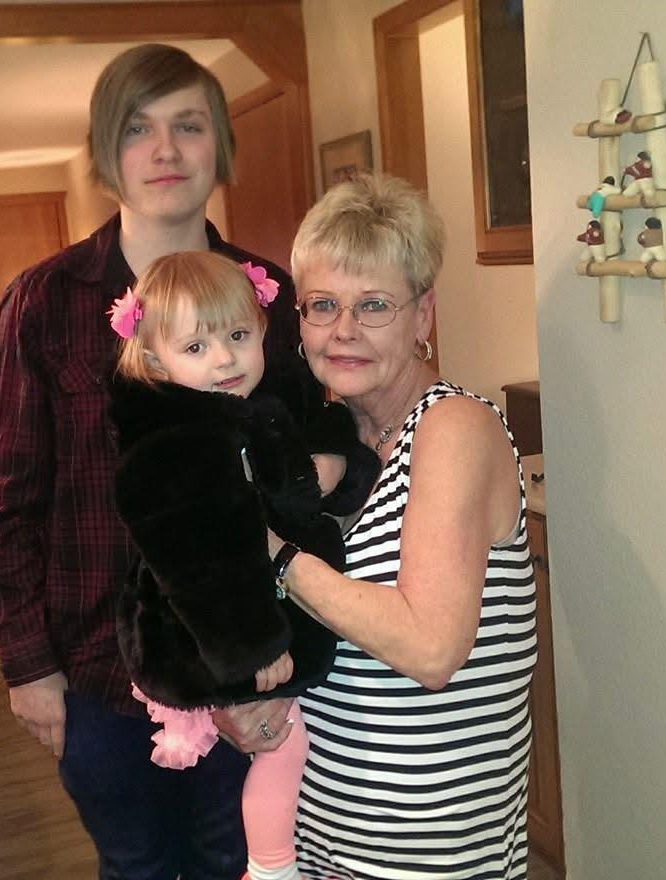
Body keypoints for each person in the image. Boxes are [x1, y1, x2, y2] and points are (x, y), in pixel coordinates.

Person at [0, 43, 310, 879]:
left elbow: (296, 472)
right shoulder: (45, 301)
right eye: (138, 129)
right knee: (137, 869)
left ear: (218, 146)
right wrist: (29, 668)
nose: (166, 151)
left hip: (243, 669)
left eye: (188, 126)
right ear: (106, 152)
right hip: (95, 682)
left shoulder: (269, 294)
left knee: (246, 867)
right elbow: (5, 501)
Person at [214, 173, 538, 879]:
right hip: (322, 828)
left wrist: (271, 552)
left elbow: (429, 647)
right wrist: (235, 700)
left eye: (373, 306)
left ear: (423, 315)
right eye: (322, 305)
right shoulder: (328, 447)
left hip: (428, 847)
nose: (342, 330)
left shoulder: (454, 429)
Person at [109, 250, 379, 880]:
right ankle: (271, 866)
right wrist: (251, 648)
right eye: (195, 348)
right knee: (285, 749)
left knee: (292, 751)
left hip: (262, 618)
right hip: (212, 636)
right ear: (153, 359)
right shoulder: (176, 443)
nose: (224, 359)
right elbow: (198, 565)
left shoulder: (258, 405)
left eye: (236, 336)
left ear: (262, 330)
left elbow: (314, 459)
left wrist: (335, 464)